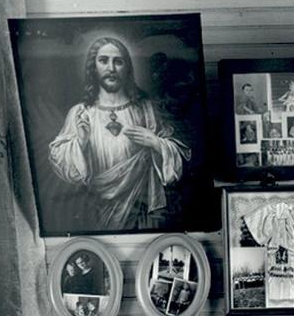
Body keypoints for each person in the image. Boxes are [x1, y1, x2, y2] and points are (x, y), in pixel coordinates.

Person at [49, 37, 191, 231]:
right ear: (93, 66)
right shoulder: (80, 113)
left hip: (141, 212)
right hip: (96, 214)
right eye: (103, 60)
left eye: (118, 61)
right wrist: (80, 142)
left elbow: (179, 155)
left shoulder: (145, 109)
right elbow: (63, 165)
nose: (111, 68)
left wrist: (156, 143)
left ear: (127, 67)